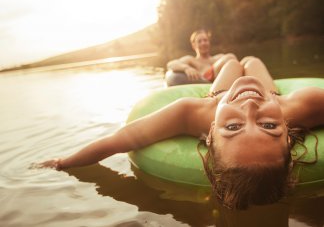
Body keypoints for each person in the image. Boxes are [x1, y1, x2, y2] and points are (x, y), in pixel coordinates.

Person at [35, 56, 324, 209]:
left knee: (238, 63)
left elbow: (118, 141)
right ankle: (225, 63)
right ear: (288, 133)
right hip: (272, 95)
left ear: (210, 134)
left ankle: (225, 65)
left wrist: (63, 162)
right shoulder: (302, 107)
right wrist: (269, 102)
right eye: (269, 126)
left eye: (233, 127)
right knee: (247, 61)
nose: (249, 107)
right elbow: (116, 141)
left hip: (221, 96)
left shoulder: (191, 113)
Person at [165, 29, 236, 86]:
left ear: (209, 42)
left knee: (246, 60)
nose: (203, 43)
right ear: (194, 45)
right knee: (230, 57)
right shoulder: (191, 60)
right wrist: (186, 68)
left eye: (205, 40)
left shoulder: (218, 57)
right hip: (207, 80)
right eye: (199, 41)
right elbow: (171, 64)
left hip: (225, 77)